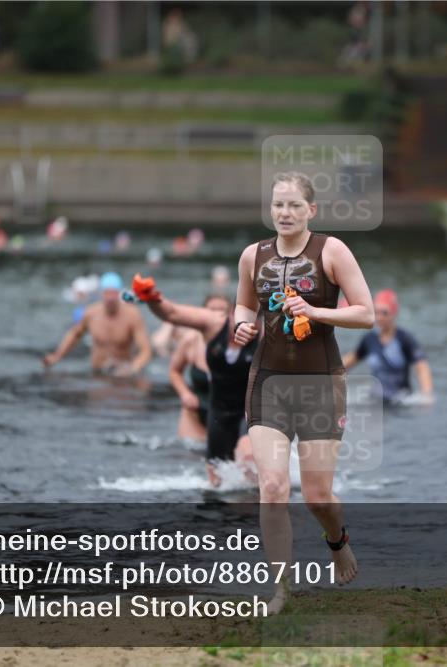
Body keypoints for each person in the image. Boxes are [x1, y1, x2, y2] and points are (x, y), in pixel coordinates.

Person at [231, 171, 374, 613]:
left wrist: (315, 310)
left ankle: (337, 539)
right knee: (272, 486)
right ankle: (281, 590)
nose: (285, 213)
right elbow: (242, 303)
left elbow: (366, 313)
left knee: (316, 495)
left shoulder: (331, 251)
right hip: (268, 384)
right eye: (278, 205)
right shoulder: (253, 256)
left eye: (294, 205)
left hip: (320, 384)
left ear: (311, 210)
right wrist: (239, 324)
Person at [131, 281, 258, 487]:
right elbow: (171, 313)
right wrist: (152, 299)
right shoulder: (213, 325)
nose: (249, 327)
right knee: (218, 481)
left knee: (249, 456)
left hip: (250, 410)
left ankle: (262, 502)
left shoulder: (269, 335)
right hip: (218, 412)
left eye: (256, 320)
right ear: (232, 315)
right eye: (243, 319)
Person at [43, 272, 152, 377]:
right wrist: (56, 356)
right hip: (97, 373)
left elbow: (145, 350)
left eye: (113, 293)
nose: (110, 298)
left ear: (119, 294)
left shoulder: (132, 315)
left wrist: (133, 368)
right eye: (107, 293)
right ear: (101, 294)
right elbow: (74, 335)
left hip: (121, 374)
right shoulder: (91, 313)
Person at [343, 289, 434, 405]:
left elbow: (422, 367)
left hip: (400, 401)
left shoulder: (404, 339)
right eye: (376, 312)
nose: (379, 317)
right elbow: (347, 363)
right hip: (375, 400)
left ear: (394, 313)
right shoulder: (369, 339)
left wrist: (427, 395)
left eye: (384, 313)